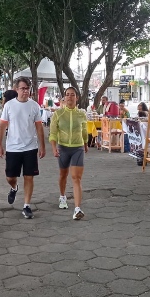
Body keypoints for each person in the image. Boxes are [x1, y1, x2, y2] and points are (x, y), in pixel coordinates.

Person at [0, 77, 46, 219]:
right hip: (13, 147)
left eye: (27, 88)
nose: (25, 91)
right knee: (10, 177)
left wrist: (42, 146)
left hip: (30, 147)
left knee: (29, 176)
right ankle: (14, 187)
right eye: (23, 88)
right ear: (16, 89)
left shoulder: (34, 106)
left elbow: (39, 127)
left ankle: (26, 206)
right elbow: (2, 126)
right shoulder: (9, 106)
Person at [49, 87, 88, 220]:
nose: (70, 97)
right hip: (63, 148)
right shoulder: (58, 114)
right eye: (67, 95)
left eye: (72, 95)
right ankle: (62, 196)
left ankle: (77, 209)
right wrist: (54, 148)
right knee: (63, 175)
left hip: (78, 148)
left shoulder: (82, 114)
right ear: (64, 98)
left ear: (77, 98)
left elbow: (84, 131)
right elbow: (53, 133)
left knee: (76, 178)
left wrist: (86, 144)